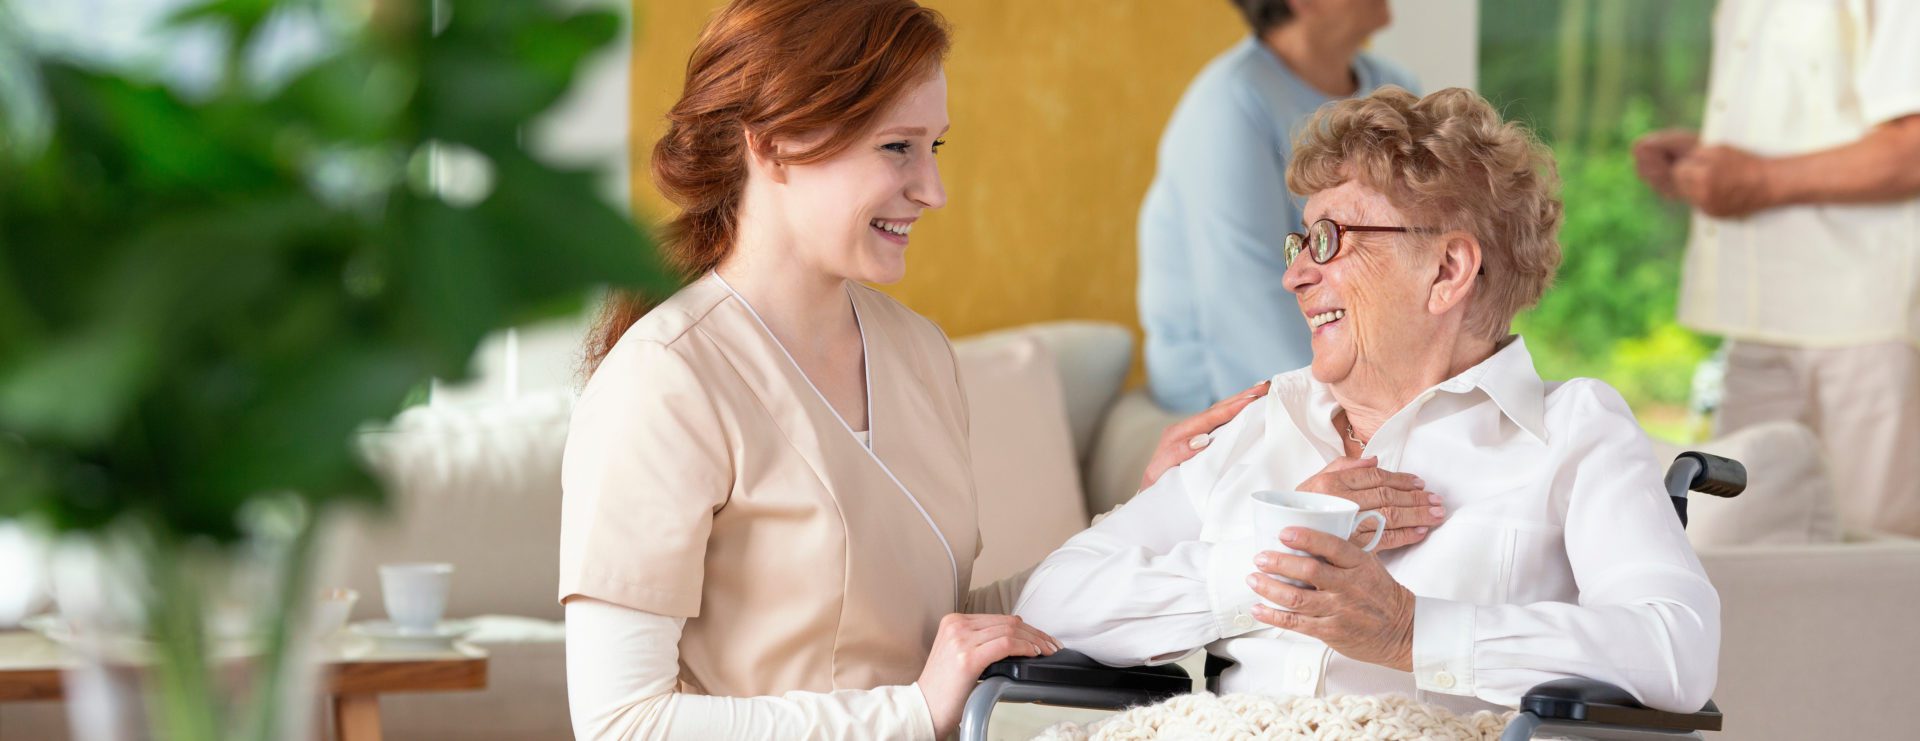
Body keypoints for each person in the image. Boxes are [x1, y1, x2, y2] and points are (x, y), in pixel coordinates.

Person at [555, 2, 1280, 738]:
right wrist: (909, 712)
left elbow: (951, 639)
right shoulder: (665, 380)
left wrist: (1151, 516)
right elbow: (623, 721)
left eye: (936, 146)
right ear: (772, 144)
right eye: (898, 148)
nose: (933, 189)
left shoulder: (918, 353)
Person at [1018, 87, 1720, 716]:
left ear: (1447, 270)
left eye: (1330, 240)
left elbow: (1675, 650)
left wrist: (1413, 631)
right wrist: (1269, 562)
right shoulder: (1263, 426)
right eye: (1300, 240)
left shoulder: (1571, 430)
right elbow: (1052, 601)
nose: (1294, 275)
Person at [1632, 0, 1920, 537]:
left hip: (1868, 320)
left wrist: (1760, 178)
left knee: (1880, 556)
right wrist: (1712, 167)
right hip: (1759, 318)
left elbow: (1912, 148)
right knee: (1739, 534)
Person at [1139, 0, 1418, 414]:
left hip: (1366, 385)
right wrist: (1351, 419)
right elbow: (1245, 311)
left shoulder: (1393, 87)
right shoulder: (1231, 103)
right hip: (1234, 402)